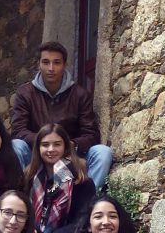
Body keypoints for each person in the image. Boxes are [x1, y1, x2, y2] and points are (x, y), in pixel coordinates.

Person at [11, 40, 112, 189]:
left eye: (56, 62)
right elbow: (18, 130)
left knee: (103, 152)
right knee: (16, 146)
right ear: (39, 65)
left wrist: (69, 144)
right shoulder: (25, 93)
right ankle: (22, 196)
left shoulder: (80, 94)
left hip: (71, 153)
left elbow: (92, 134)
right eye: (46, 62)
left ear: (64, 65)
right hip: (37, 153)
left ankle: (90, 198)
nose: (51, 68)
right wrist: (45, 142)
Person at [23, 123, 95, 233]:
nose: (51, 149)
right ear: (38, 148)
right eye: (45, 145)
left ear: (65, 147)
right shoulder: (29, 178)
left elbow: (83, 221)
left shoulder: (81, 181)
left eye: (57, 144)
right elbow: (23, 212)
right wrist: (31, 231)